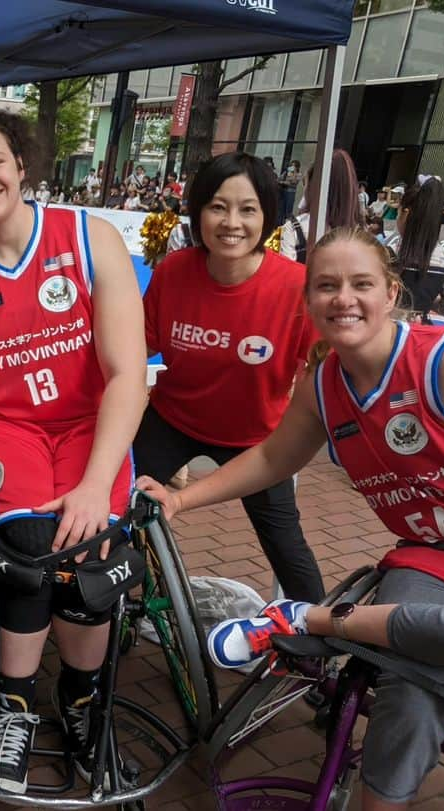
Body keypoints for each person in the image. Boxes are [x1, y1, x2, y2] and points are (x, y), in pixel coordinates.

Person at [138, 226, 444, 811]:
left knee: (425, 648)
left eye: (361, 284)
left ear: (390, 293)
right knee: (410, 683)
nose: (344, 298)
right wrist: (180, 499)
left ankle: (314, 618)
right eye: (327, 286)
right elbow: (271, 457)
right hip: (434, 556)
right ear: (307, 301)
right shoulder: (325, 386)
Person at [0, 112, 146, 793]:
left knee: (92, 553)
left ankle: (80, 698)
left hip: (89, 424)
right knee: (32, 552)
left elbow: (128, 375)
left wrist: (94, 483)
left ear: (21, 164)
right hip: (11, 430)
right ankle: (11, 706)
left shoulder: (89, 238)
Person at [135, 152, 325, 603]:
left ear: (267, 216)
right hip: (171, 421)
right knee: (120, 509)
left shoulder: (296, 288)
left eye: (248, 209)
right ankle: (131, 603)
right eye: (218, 206)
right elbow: (133, 350)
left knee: (284, 542)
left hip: (256, 438)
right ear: (198, 210)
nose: (231, 222)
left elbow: (323, 374)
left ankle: (320, 647)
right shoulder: (172, 272)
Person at [385, 176, 444, 323]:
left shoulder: (388, 253)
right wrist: (431, 300)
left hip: (388, 330)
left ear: (405, 213)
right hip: (421, 334)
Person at [279, 149, 364, 264]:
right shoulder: (363, 237)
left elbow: (286, 275)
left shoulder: (294, 228)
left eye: (305, 183)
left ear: (313, 186)